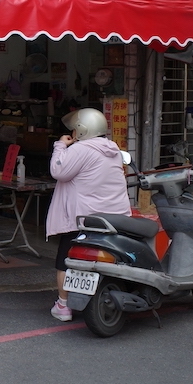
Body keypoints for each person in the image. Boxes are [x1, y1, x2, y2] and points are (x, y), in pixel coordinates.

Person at [46, 108, 131, 322]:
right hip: (112, 217)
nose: (73, 132)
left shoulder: (81, 149)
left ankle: (63, 306)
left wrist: (60, 146)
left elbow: (58, 171)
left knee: (65, 259)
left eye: (75, 128)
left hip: (82, 219)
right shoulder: (112, 148)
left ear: (82, 130)